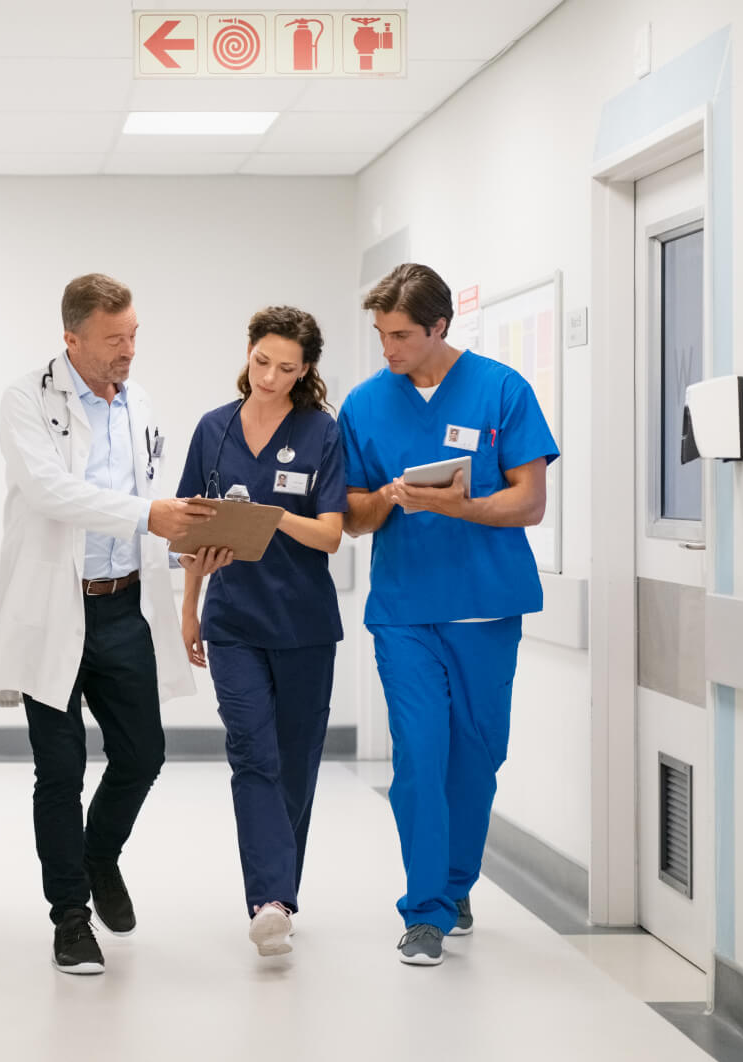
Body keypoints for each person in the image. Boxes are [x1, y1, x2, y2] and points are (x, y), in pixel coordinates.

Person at [0, 272, 214, 976]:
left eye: (134, 335)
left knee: (143, 755)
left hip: (122, 605)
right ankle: (70, 917)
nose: (129, 351)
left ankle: (98, 855)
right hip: (56, 608)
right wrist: (151, 516)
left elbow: (140, 494)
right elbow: (52, 491)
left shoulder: (136, 401)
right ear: (71, 339)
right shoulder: (25, 399)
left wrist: (188, 532)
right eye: (115, 339)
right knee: (60, 770)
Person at [338, 263, 560, 966]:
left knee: (477, 757)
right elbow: (351, 516)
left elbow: (530, 502)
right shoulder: (366, 405)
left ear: (439, 326)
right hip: (404, 610)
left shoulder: (502, 390)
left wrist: (457, 504)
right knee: (419, 755)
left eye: (401, 334)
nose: (389, 348)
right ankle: (425, 909)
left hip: (487, 610)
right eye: (380, 334)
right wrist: (391, 498)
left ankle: (457, 883)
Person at [174, 306, 347, 958]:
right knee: (253, 753)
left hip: (304, 625)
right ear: (247, 352)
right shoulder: (213, 430)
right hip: (234, 623)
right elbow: (192, 528)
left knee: (295, 767)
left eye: (286, 368)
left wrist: (270, 518)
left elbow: (329, 533)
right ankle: (269, 900)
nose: (270, 377)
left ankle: (280, 890)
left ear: (306, 372)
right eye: (261, 362)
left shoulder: (319, 432)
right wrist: (190, 607)